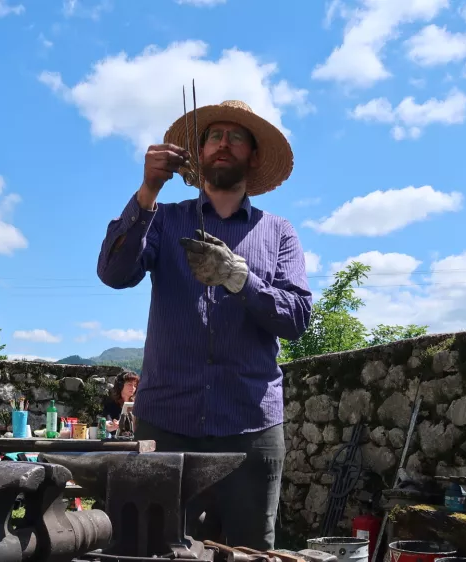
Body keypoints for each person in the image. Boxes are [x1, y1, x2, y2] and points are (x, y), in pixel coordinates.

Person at [96, 100, 313, 549]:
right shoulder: (165, 218)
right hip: (166, 419)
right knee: (153, 547)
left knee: (251, 548)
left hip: (251, 426)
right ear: (198, 155)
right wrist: (147, 191)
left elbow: (296, 319)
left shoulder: (278, 232)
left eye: (236, 137)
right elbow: (114, 274)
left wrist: (240, 278)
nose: (223, 144)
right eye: (214, 136)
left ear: (253, 156)